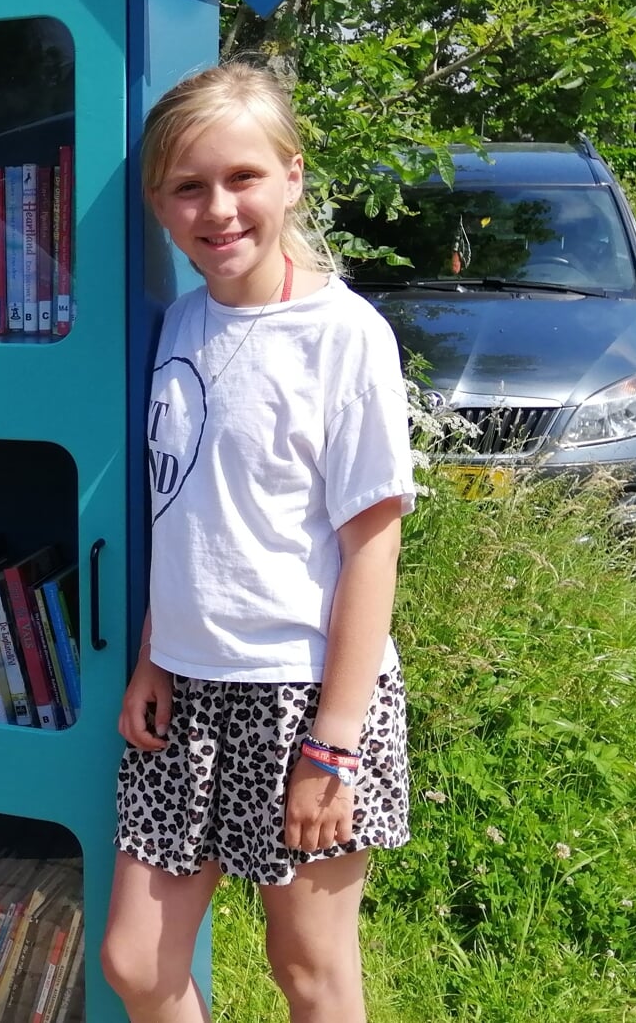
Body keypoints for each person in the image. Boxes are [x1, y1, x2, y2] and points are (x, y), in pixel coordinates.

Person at [102, 61, 417, 1023]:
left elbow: (372, 547)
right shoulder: (179, 324)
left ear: (291, 176)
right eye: (187, 187)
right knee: (133, 961)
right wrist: (154, 655)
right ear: (157, 203)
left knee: (308, 971)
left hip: (302, 698)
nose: (217, 208)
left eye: (241, 177)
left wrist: (335, 743)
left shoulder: (344, 335)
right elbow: (182, 508)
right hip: (184, 693)